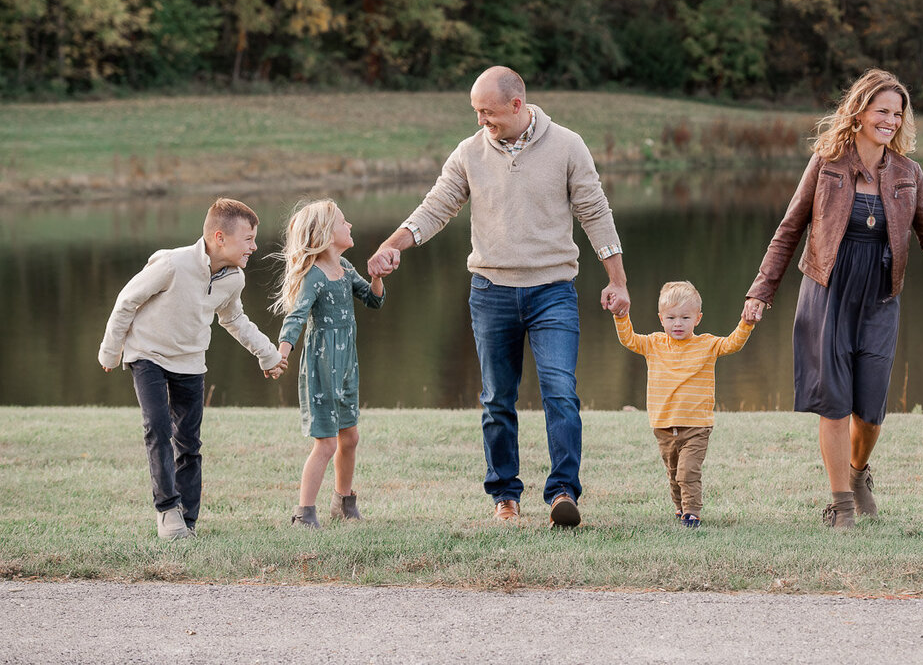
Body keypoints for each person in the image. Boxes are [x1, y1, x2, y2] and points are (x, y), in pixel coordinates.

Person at [368, 66, 629, 528]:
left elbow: (595, 211)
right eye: (476, 112)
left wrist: (617, 280)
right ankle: (505, 497)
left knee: (561, 392)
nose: (480, 121)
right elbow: (437, 205)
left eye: (487, 112)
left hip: (553, 290)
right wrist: (393, 244)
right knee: (496, 399)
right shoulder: (470, 153)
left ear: (517, 104)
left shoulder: (568, 145)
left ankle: (563, 492)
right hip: (491, 292)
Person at [742, 69, 923, 529]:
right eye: (882, 111)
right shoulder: (826, 163)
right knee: (834, 403)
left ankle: (858, 473)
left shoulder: (908, 173)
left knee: (871, 409)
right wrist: (762, 290)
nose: (890, 120)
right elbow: (789, 229)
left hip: (880, 296)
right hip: (826, 292)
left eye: (897, 114)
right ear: (859, 112)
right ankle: (841, 504)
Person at [98, 198, 286, 540]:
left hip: (190, 362)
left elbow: (235, 320)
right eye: (248, 239)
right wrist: (111, 352)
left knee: (189, 443)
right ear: (220, 238)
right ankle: (167, 512)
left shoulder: (235, 279)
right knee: (157, 427)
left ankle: (188, 518)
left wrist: (268, 354)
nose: (254, 246)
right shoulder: (173, 264)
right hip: (148, 354)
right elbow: (127, 301)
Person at [272, 199, 385, 529]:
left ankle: (344, 503)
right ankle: (303, 514)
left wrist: (376, 277)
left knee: (350, 438)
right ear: (324, 234)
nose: (349, 225)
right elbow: (295, 317)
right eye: (343, 222)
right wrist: (282, 352)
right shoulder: (315, 277)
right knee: (327, 442)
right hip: (322, 367)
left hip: (347, 365)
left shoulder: (346, 268)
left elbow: (374, 300)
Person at [612, 281, 754, 528]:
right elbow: (629, 339)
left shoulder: (707, 344)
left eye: (685, 317)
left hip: (696, 426)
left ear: (698, 318)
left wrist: (746, 323)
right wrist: (621, 317)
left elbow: (733, 343)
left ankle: (692, 513)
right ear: (661, 319)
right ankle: (679, 507)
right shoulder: (653, 344)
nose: (678, 324)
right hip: (663, 425)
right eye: (671, 317)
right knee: (674, 474)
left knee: (688, 471)